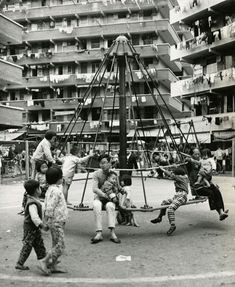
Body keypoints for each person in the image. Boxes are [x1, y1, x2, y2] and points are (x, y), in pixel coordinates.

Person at [15, 180, 49, 274]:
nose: (41, 189)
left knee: (39, 246)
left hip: (35, 229)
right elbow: (34, 218)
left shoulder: (34, 199)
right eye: (39, 188)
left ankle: (44, 263)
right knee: (27, 246)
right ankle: (19, 263)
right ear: (35, 190)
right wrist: (42, 225)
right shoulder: (32, 203)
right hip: (30, 229)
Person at [186, 148, 229, 221]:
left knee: (216, 191)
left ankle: (221, 212)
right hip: (197, 188)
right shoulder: (189, 163)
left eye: (198, 154)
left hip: (206, 183)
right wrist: (188, 159)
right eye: (195, 154)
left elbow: (208, 171)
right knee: (211, 193)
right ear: (191, 155)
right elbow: (188, 163)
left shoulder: (203, 162)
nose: (197, 155)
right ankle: (220, 212)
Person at [42, 166, 68, 274]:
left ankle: (53, 265)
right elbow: (49, 207)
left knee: (55, 243)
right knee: (60, 245)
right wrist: (46, 221)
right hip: (56, 222)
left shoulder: (51, 189)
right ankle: (45, 260)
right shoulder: (55, 191)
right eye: (61, 176)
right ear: (58, 178)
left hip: (57, 221)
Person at [91, 154, 121, 244]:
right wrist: (104, 195)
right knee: (96, 205)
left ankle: (112, 233)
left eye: (104, 163)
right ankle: (99, 233)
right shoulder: (97, 174)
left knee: (110, 206)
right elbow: (94, 189)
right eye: (100, 163)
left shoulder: (114, 174)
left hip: (110, 199)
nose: (102, 165)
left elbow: (118, 187)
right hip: (100, 197)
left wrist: (118, 193)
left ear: (109, 163)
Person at [150, 167, 189, 236]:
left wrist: (162, 169)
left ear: (178, 174)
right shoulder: (180, 177)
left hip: (182, 196)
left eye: (174, 173)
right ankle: (160, 217)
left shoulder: (182, 178)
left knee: (170, 209)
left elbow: (171, 175)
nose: (173, 174)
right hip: (177, 196)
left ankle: (172, 225)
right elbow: (170, 177)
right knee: (164, 202)